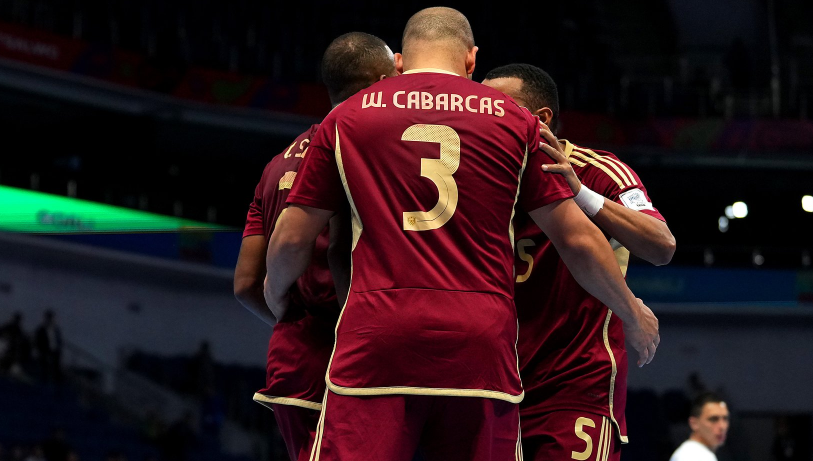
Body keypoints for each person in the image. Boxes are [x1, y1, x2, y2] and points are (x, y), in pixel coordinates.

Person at [265, 7, 659, 461]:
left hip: (376, 336)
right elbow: (577, 239)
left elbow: (293, 239)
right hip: (481, 345)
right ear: (471, 61)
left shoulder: (348, 118)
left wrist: (276, 295)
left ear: (398, 63)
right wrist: (631, 312)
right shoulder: (516, 122)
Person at [482, 63, 676, 461]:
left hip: (574, 384)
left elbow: (662, 246)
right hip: (491, 384)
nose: (487, 119)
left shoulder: (599, 170)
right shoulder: (475, 178)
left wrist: (582, 195)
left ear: (541, 119)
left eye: (499, 109)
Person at [233, 32, 397, 461]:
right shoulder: (362, 147)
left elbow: (245, 284)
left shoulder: (276, 164)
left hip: (291, 360)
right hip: (348, 355)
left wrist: (291, 321)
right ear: (381, 79)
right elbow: (337, 252)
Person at [670, 393, 730, 461]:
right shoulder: (691, 456)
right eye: (713, 419)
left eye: (725, 418)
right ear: (694, 423)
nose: (722, 426)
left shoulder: (700, 454)